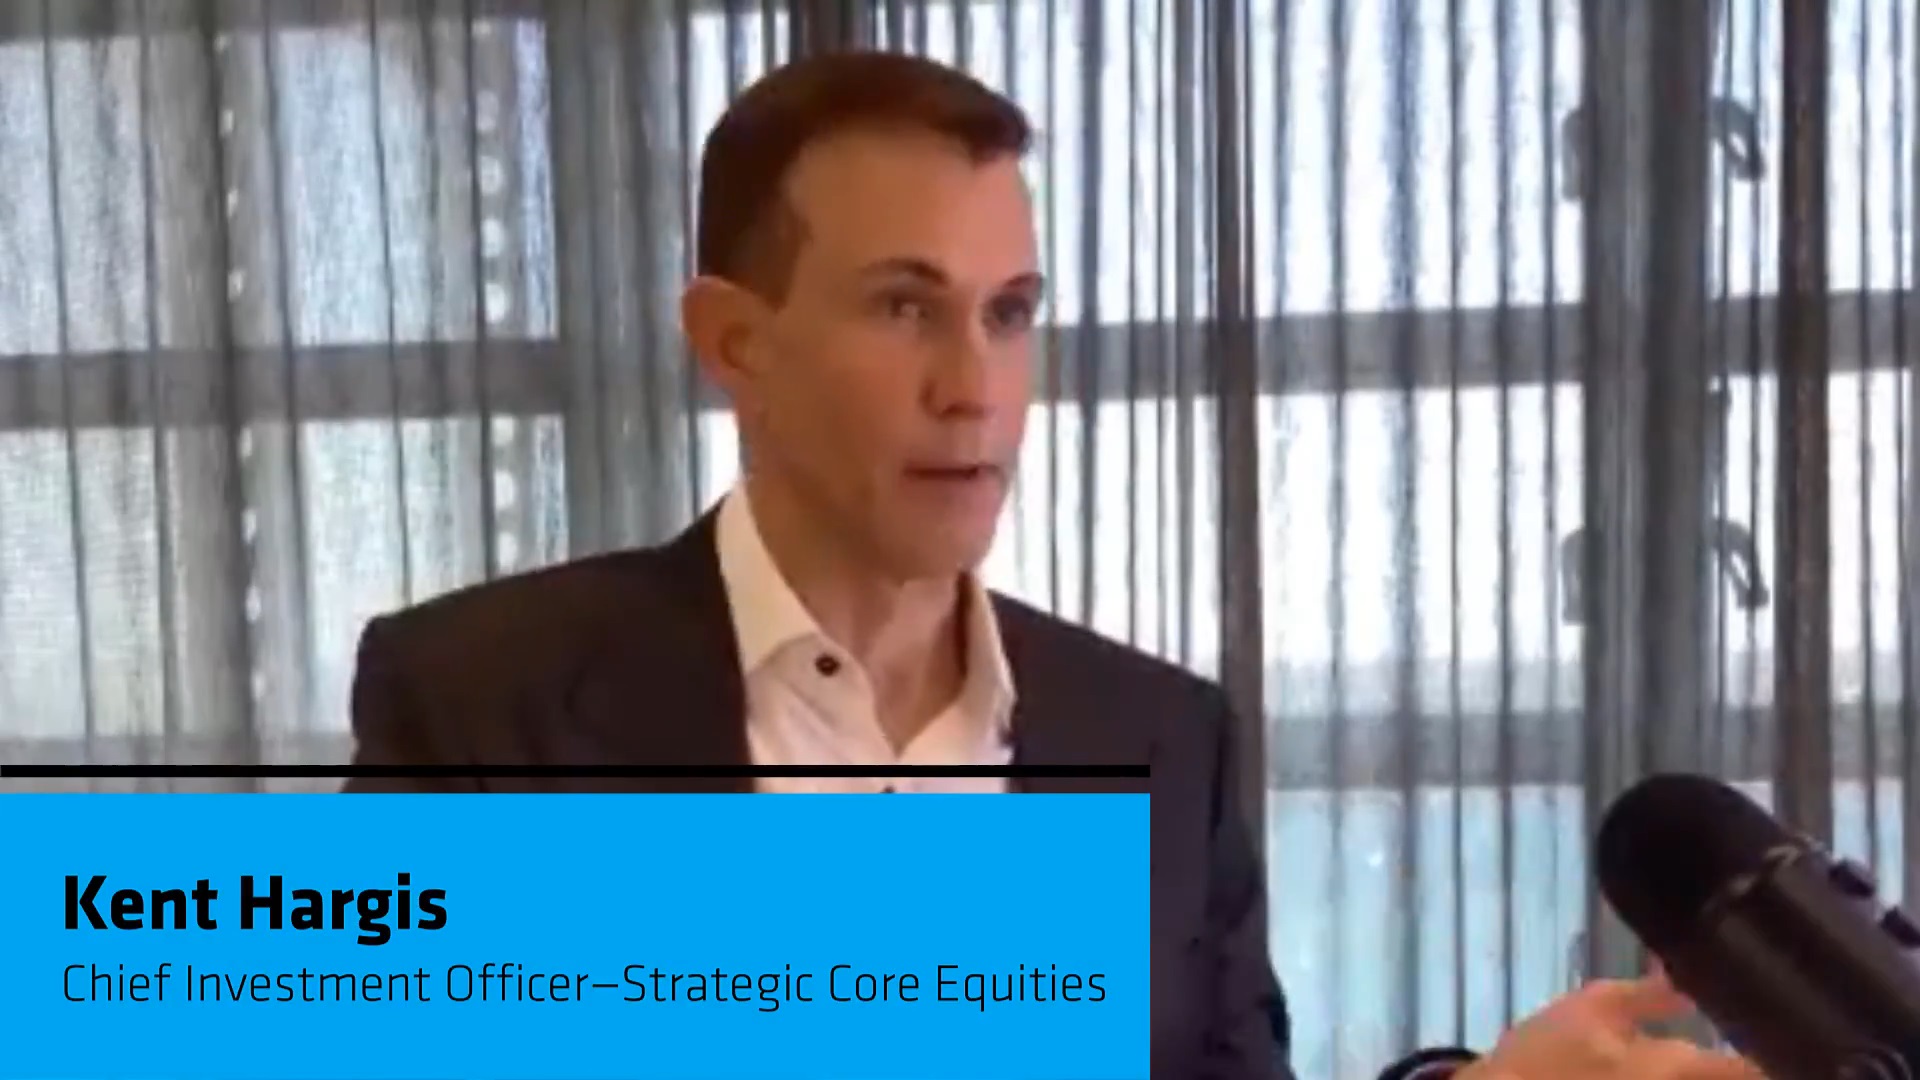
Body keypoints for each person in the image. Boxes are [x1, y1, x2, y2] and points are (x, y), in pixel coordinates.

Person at [343, 50, 1760, 1080]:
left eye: (1010, 313)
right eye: (905, 309)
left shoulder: (1161, 738)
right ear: (734, 342)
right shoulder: (479, 706)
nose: (976, 389)